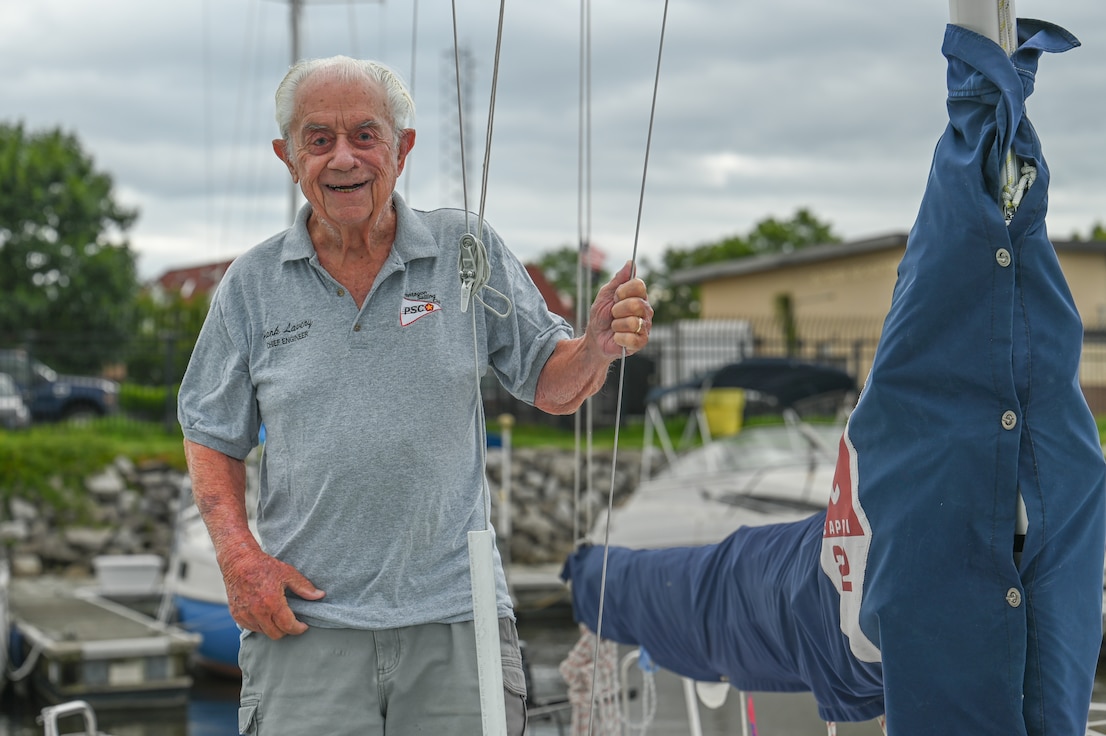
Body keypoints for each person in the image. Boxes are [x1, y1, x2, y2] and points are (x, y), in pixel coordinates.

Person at [176, 55, 652, 736]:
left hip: (458, 623)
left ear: (403, 149)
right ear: (289, 157)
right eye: (319, 139)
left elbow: (552, 383)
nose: (343, 158)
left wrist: (598, 345)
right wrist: (237, 557)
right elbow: (209, 432)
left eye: (365, 136)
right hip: (306, 628)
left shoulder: (468, 248)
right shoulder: (250, 285)